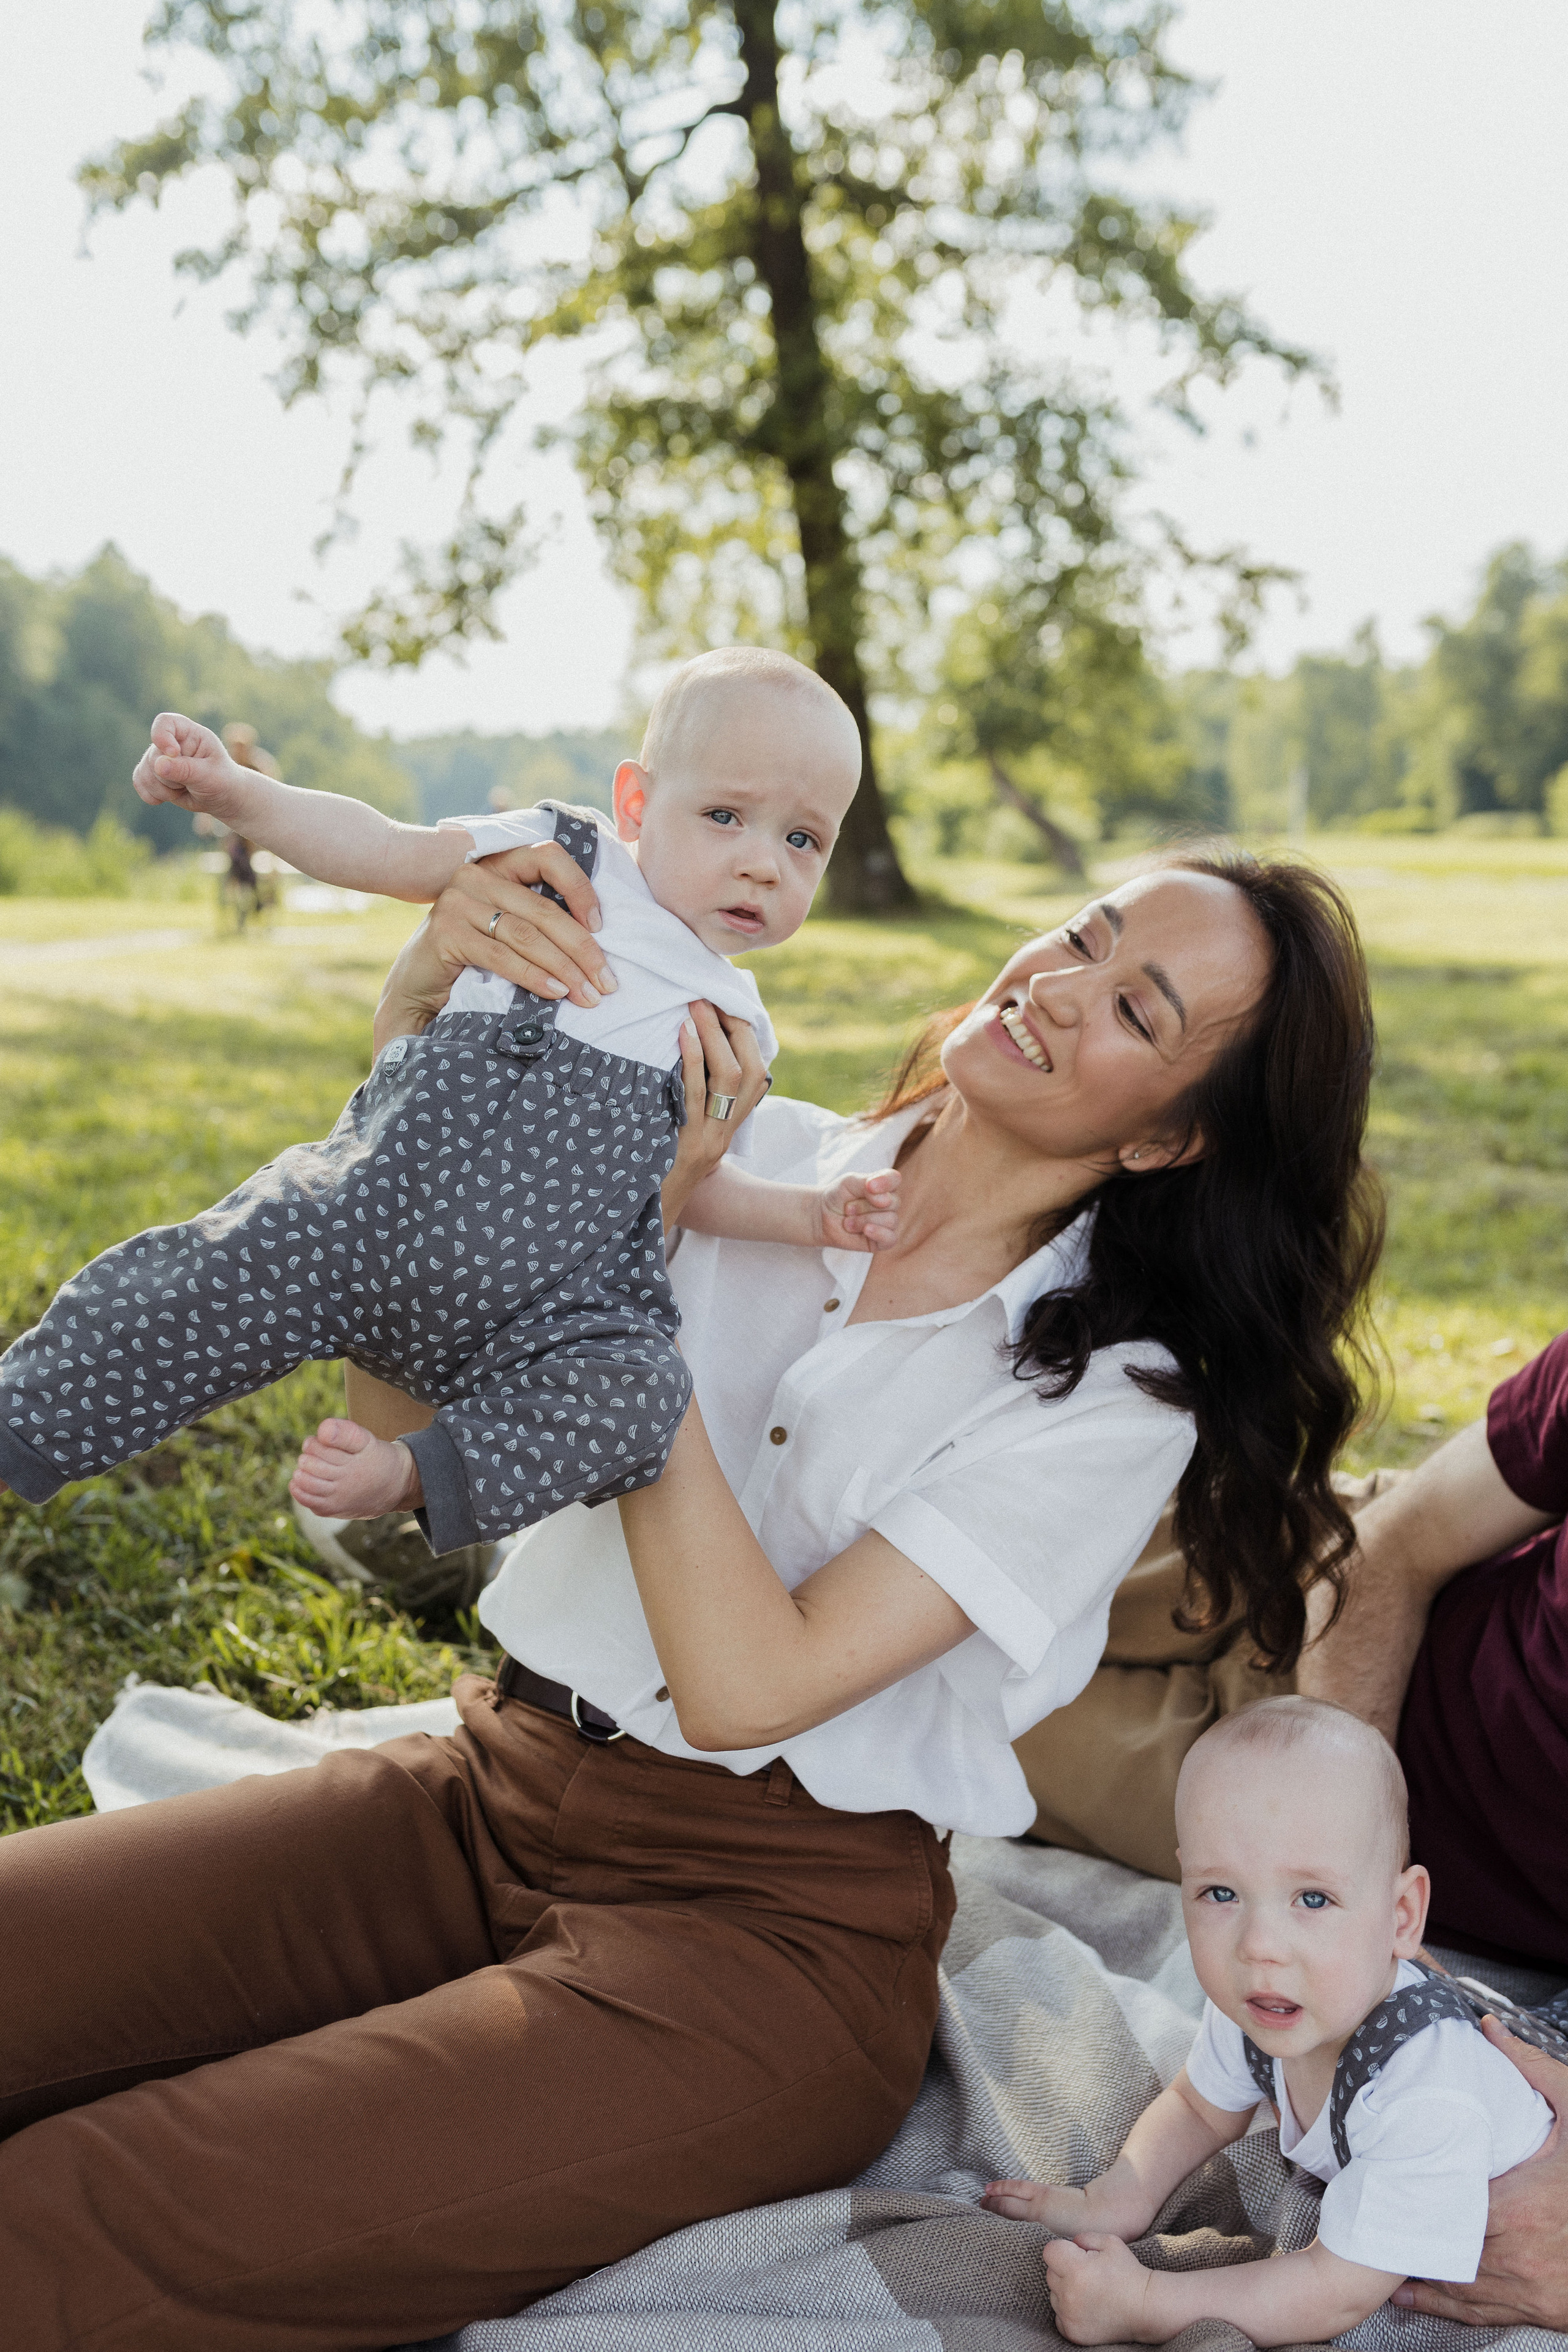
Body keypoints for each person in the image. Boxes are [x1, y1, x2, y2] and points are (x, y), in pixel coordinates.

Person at [0, 842, 1381, 2350]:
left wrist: (619, 1275)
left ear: (1169, 1136)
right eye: (1079, 934)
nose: (1054, 986)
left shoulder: (1111, 1398)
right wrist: (412, 1076)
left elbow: (745, 1686)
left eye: (1132, 1007)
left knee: (82, 2208)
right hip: (484, 1791)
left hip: (761, 1942)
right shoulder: (731, 1140)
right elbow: (399, 1441)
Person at [0, 648, 901, 1551]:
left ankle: (416, 1474)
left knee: (643, 1390)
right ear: (635, 802)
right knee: (181, 1286)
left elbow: (690, 1182)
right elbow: (387, 848)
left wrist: (811, 1214)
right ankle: (23, 1421)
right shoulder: (565, 857)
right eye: (725, 816)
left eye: (802, 840)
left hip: (538, 1313)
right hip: (362, 1220)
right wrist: (240, 796)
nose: (762, 865)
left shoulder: (738, 1025)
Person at [982, 1698, 1554, 2346]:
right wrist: (1115, 2199)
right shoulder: (1268, 2000)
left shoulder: (1426, 2095)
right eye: (1220, 1893)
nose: (1259, 1946)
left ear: (1400, 1917)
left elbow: (1331, 2292)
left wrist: (1145, 2300)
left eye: (1312, 1898)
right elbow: (1199, 2108)